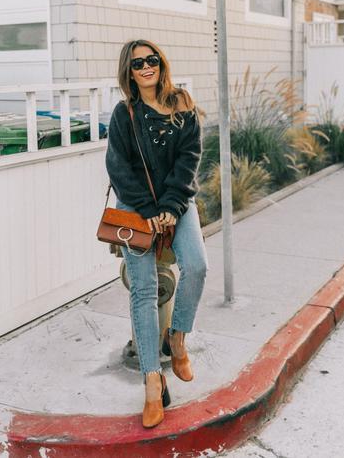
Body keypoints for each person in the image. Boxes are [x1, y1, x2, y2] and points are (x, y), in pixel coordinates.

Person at [106, 39, 208, 428]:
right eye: (137, 64)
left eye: (151, 60)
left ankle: (177, 337)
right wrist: (149, 211)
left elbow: (189, 159)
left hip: (178, 202)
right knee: (145, 288)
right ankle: (152, 380)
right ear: (129, 72)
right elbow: (119, 167)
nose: (146, 67)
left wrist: (170, 207)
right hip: (136, 208)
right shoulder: (124, 114)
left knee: (196, 267)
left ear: (161, 64)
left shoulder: (182, 103)